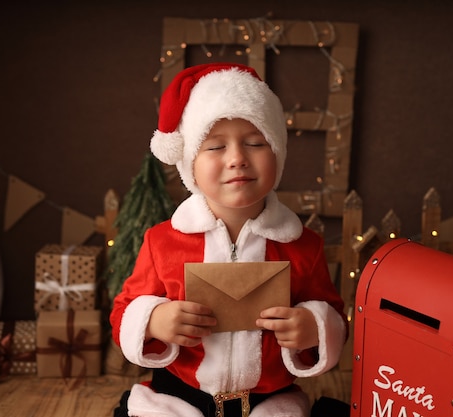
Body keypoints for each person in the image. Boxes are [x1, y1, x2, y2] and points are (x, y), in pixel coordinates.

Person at [110, 62, 347, 417]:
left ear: (278, 153)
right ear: (190, 164)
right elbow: (123, 312)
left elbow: (334, 316)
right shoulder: (162, 242)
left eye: (254, 142)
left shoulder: (303, 245)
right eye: (215, 147)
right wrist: (154, 319)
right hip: (177, 397)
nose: (237, 158)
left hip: (269, 402)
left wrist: (314, 327)